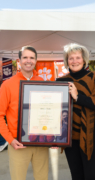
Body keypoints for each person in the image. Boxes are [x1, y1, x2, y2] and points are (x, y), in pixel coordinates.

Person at [56, 43, 95, 180]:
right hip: (69, 137)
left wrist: (77, 97)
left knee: (91, 175)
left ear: (84, 59)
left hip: (92, 135)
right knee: (76, 175)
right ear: (66, 61)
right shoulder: (61, 81)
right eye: (71, 58)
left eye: (77, 57)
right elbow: (55, 110)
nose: (74, 61)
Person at [0, 46, 49, 180]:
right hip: (18, 143)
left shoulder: (42, 83)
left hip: (41, 142)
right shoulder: (7, 85)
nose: (29, 60)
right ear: (19, 60)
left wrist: (56, 137)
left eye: (32, 58)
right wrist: (10, 140)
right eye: (25, 57)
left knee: (42, 177)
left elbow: (48, 111)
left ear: (36, 61)